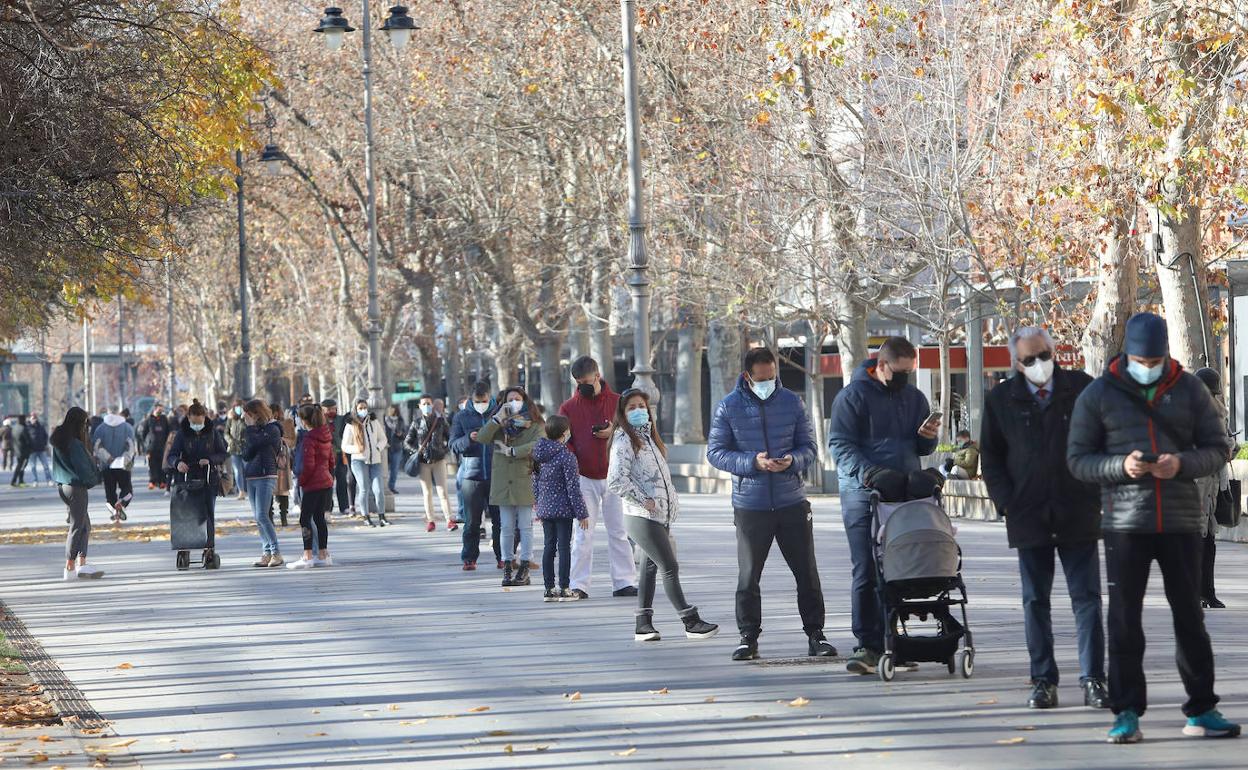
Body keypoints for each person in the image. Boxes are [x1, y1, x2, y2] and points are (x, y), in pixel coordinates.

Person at [1067, 312, 1239, 744]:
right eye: (1142, 358)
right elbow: (1078, 460)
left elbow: (1218, 449)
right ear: (1127, 353)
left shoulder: (1190, 390)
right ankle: (1125, 712)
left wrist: (1181, 464)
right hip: (1125, 522)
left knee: (1190, 617)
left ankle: (1202, 708)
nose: (1149, 364)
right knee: (1124, 620)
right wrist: (1119, 466)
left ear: (1166, 354)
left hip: (1181, 519)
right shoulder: (1100, 393)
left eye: (1156, 358)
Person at [979, 326, 1107, 710]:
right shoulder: (1002, 398)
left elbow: (1103, 442)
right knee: (1035, 601)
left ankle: (1094, 679)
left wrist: (1096, 492)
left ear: (1055, 352)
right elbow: (992, 456)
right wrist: (1007, 504)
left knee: (1086, 600)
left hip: (1077, 509)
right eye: (1029, 359)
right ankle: (1043, 680)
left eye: (1044, 355)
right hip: (1028, 513)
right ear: (1016, 363)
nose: (1039, 364)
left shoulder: (1083, 388)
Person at [709, 347, 835, 661]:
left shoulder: (793, 402)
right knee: (748, 575)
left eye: (772, 377)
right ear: (747, 376)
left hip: (791, 500)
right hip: (750, 504)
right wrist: (753, 462)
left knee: (806, 572)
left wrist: (793, 460)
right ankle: (748, 638)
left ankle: (816, 635)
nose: (768, 382)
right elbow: (715, 452)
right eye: (761, 378)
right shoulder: (729, 406)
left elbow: (810, 447)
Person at [827, 336, 937, 673]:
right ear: (881, 364)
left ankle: (895, 641)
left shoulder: (914, 397)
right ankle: (868, 644)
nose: (905, 378)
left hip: (904, 493)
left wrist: (927, 437)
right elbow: (840, 446)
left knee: (902, 566)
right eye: (900, 371)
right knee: (867, 567)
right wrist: (870, 473)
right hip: (863, 493)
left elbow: (920, 450)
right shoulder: (852, 397)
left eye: (910, 371)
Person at [608, 390, 719, 641]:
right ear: (623, 414)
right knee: (669, 566)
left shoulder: (649, 439)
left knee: (649, 569)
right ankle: (690, 621)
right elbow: (615, 480)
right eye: (632, 407)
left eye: (642, 406)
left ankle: (643, 624)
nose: (639, 410)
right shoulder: (623, 439)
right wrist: (643, 500)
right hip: (640, 515)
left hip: (660, 515)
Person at [559, 356, 637, 601]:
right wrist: (573, 458)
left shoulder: (617, 402)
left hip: (614, 476)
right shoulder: (568, 408)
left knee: (619, 531)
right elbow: (564, 442)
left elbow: (633, 434)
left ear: (597, 375)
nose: (583, 386)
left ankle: (624, 582)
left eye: (587, 381)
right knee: (583, 534)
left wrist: (611, 432)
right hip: (583, 477)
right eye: (579, 382)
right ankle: (579, 584)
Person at [476, 386, 543, 587]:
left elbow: (538, 444)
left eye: (517, 398)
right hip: (503, 480)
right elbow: (482, 438)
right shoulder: (499, 423)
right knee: (505, 526)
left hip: (523, 478)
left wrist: (513, 451)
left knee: (525, 525)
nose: (514, 402)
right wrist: (496, 419)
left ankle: (524, 564)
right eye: (510, 399)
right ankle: (507, 562)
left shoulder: (534, 422)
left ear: (525, 400)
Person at [532, 415, 591, 601]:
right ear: (565, 433)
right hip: (563, 509)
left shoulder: (539, 454)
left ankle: (549, 589)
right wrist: (582, 513)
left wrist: (538, 503)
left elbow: (535, 482)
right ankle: (565, 588)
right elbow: (573, 487)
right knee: (564, 547)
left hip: (545, 508)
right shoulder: (566, 457)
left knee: (548, 547)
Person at [165, 400, 228, 560]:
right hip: (187, 477)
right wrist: (178, 463)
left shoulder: (213, 433)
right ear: (189, 418)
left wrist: (210, 460)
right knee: (186, 513)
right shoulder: (182, 433)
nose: (197, 425)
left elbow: (223, 453)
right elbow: (172, 455)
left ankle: (209, 547)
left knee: (207, 513)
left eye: (200, 422)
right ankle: (184, 545)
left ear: (204, 418)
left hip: (208, 478)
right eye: (194, 422)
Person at [51, 407, 104, 580]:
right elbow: (83, 468)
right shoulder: (74, 443)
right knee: (77, 526)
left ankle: (81, 563)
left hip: (64, 486)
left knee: (84, 525)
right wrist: (94, 478)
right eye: (85, 423)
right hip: (76, 487)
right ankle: (71, 566)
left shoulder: (60, 439)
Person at [1192, 367, 1230, 610]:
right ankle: (1196, 592)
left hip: (1212, 481)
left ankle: (1208, 591)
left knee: (1209, 539)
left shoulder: (1217, 411)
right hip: (1197, 481)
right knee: (1197, 538)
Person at [451, 382, 498, 570]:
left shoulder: (498, 414)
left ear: (490, 397)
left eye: (484, 401)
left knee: (500, 520)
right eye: (478, 401)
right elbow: (453, 444)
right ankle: (469, 558)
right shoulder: (461, 417)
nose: (481, 404)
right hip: (471, 474)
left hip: (497, 474)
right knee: (472, 521)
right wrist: (468, 439)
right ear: (471, 399)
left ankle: (503, 557)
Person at [288, 403, 335, 569]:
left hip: (313, 483)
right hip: (325, 482)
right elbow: (331, 461)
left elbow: (308, 466)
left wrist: (302, 482)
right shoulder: (325, 434)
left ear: (304, 420)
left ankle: (307, 554)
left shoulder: (309, 439)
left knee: (304, 519)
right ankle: (323, 553)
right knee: (319, 518)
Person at [242, 399, 285, 567]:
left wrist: (251, 428)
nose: (246, 418)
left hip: (266, 474)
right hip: (251, 475)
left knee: (262, 514)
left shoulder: (272, 429)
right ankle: (266, 552)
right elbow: (246, 453)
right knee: (257, 517)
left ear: (256, 414)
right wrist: (251, 431)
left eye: (248, 414)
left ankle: (276, 552)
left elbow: (257, 443)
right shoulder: (253, 431)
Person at [405, 395, 455, 532]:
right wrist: (416, 452)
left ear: (432, 405)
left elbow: (450, 438)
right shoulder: (416, 423)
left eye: (428, 403)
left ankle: (449, 519)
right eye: (424, 404)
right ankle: (431, 520)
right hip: (423, 462)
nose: (426, 406)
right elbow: (407, 442)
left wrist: (444, 451)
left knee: (442, 491)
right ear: (420, 406)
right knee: (427, 493)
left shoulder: (440, 421)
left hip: (439, 460)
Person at [342, 399, 389, 527]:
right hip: (358, 461)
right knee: (364, 489)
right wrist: (357, 449)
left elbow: (383, 439)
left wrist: (378, 447)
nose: (363, 410)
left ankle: (382, 516)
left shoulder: (374, 422)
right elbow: (345, 446)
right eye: (360, 408)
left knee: (378, 490)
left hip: (375, 460)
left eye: (365, 407)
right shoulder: (350, 425)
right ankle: (366, 516)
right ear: (355, 410)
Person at [91, 407, 137, 523]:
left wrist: (108, 458)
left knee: (110, 491)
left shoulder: (100, 428)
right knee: (127, 489)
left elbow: (96, 446)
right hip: (123, 465)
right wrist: (124, 459)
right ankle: (121, 503)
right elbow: (131, 446)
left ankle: (113, 510)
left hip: (106, 465)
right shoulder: (127, 428)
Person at [322, 399, 357, 516]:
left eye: (333, 409)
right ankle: (327, 507)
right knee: (327, 483)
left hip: (340, 454)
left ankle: (344, 507)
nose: (331, 411)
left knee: (342, 481)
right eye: (328, 409)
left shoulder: (341, 419)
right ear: (323, 410)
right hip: (326, 456)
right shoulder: (320, 421)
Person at [268, 401, 295, 527]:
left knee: (283, 491)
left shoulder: (287, 423)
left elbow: (292, 442)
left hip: (282, 460)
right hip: (269, 459)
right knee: (269, 490)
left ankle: (284, 516)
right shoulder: (265, 424)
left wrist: (281, 439)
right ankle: (270, 516)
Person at [136, 405, 170, 491]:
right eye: (159, 409)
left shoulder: (164, 419)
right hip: (151, 447)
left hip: (162, 446)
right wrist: (146, 445)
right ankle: (152, 481)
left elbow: (167, 431)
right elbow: (143, 433)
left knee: (162, 465)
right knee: (152, 465)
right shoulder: (148, 420)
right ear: (154, 409)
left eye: (161, 409)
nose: (160, 411)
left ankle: (162, 481)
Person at [225, 399, 248, 499]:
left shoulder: (247, 418)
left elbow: (250, 430)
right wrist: (230, 440)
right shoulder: (231, 419)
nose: (239, 409)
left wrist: (245, 418)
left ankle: (249, 490)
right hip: (234, 449)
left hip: (245, 448)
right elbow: (226, 432)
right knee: (237, 471)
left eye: (241, 407)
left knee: (247, 469)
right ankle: (241, 491)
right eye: (237, 407)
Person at [22, 412, 52, 487]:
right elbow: (24, 438)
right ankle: (35, 481)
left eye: (35, 418)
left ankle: (49, 480)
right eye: (32, 418)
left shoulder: (41, 426)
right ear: (30, 418)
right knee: (33, 467)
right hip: (32, 451)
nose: (34, 419)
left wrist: (45, 444)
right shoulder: (27, 427)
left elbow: (45, 436)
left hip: (41, 449)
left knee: (46, 466)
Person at [384, 405, 407, 495]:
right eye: (390, 409)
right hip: (385, 448)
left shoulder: (400, 421)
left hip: (397, 448)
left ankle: (391, 487)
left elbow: (405, 435)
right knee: (384, 469)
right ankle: (384, 486)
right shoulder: (384, 420)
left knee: (394, 469)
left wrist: (400, 434)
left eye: (393, 409)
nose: (392, 411)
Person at [8, 413, 29, 486]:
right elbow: (28, 440)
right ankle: (16, 481)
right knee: (21, 466)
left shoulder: (14, 427)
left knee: (20, 465)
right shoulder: (23, 428)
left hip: (17, 450)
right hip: (24, 451)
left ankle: (20, 481)